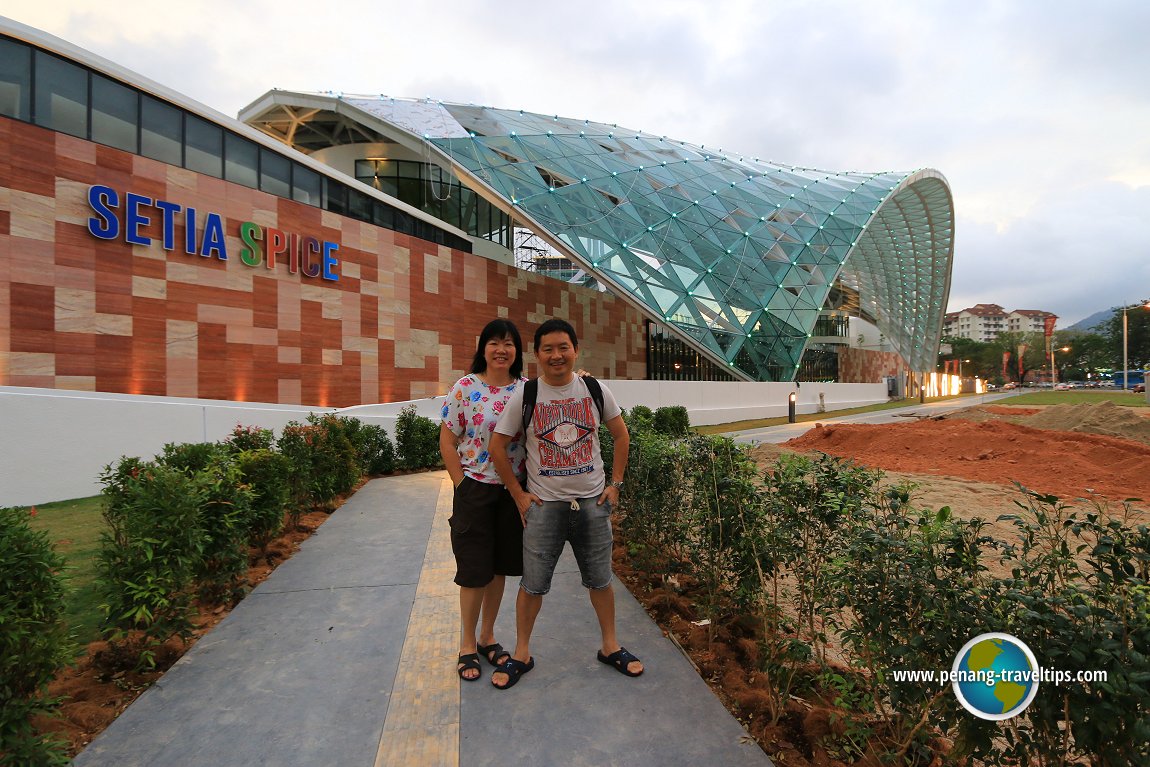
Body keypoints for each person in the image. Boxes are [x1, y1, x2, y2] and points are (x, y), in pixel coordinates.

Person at [488, 318, 643, 689]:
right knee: (533, 585)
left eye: (563, 347)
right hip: (545, 508)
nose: (556, 355)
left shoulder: (593, 388)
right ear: (537, 355)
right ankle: (521, 653)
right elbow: (497, 446)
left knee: (600, 581)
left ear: (575, 350)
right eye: (548, 349)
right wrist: (519, 495)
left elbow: (621, 437)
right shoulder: (526, 396)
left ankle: (610, 646)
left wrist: (615, 484)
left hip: (592, 503)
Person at [439, 318, 527, 681]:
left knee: (499, 568)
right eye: (494, 342)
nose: (501, 349)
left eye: (508, 343)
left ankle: (488, 636)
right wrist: (461, 485)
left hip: (512, 492)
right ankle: (466, 644)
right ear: (483, 348)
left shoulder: (526, 389)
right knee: (474, 571)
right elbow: (447, 440)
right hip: (475, 489)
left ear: (517, 351)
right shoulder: (465, 388)